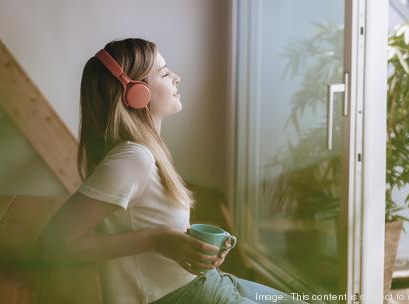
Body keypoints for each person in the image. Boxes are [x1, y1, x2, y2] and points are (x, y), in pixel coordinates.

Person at [36, 38, 307, 304]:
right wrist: (156, 240)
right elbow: (52, 245)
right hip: (185, 295)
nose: (177, 78)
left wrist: (190, 248)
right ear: (136, 93)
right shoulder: (133, 159)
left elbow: (146, 224)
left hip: (207, 283)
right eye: (165, 73)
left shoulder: (145, 152)